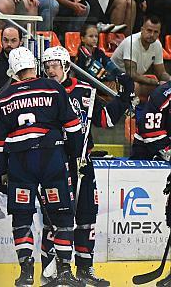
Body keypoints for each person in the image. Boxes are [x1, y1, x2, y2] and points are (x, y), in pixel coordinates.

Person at [40, 46, 134, 285]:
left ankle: (84, 268)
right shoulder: (41, 93)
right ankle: (52, 269)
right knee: (56, 219)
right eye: (47, 65)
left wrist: (124, 97)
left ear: (66, 67)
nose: (51, 70)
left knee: (86, 217)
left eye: (55, 65)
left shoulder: (84, 91)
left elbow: (105, 119)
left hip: (82, 162)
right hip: (54, 163)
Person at [0, 47, 83, 287]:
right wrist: (73, 156)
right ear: (35, 64)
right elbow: (73, 127)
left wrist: (0, 170)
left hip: (20, 163)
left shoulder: (5, 96)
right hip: (51, 158)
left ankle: (26, 272)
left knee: (22, 218)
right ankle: (63, 270)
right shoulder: (53, 88)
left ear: (13, 70)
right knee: (62, 216)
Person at [111, 15, 170, 101]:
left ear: (159, 33)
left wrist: (169, 80)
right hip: (115, 79)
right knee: (135, 87)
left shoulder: (157, 45)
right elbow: (132, 75)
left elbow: (161, 73)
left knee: (166, 90)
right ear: (142, 30)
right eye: (149, 30)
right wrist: (157, 83)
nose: (152, 35)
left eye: (155, 32)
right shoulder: (131, 42)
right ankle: (128, 113)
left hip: (131, 81)